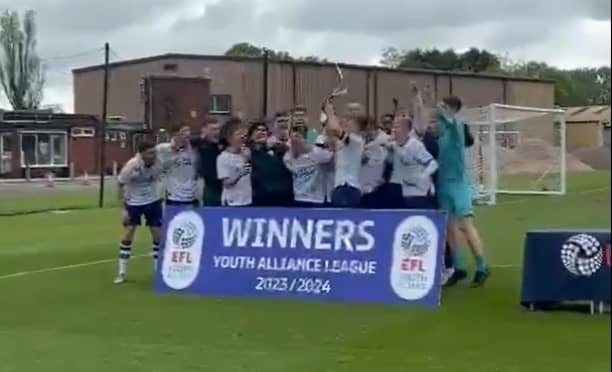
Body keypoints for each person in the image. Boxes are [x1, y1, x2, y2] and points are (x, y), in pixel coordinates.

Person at [436, 96, 490, 287]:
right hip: (443, 185)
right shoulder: (440, 133)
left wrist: (440, 109)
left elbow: (448, 119)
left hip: (458, 185)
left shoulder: (457, 127)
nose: (439, 109)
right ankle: (458, 268)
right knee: (449, 228)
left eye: (444, 106)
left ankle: (482, 266)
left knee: (466, 226)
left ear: (452, 108)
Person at [114, 141, 163, 284]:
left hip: (152, 201)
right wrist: (123, 210)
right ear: (142, 154)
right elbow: (120, 184)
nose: (153, 155)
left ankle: (158, 272)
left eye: (154, 152)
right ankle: (122, 273)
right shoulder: (132, 165)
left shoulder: (158, 163)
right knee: (129, 233)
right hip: (133, 202)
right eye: (150, 153)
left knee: (157, 233)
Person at [388, 117, 438, 209]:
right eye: (393, 127)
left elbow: (433, 164)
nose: (394, 130)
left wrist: (422, 176)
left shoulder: (415, 145)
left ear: (407, 130)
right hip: (398, 189)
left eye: (397, 127)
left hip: (417, 192)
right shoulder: (392, 146)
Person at [323, 102, 364, 207]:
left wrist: (330, 113)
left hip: (349, 189)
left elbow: (335, 130)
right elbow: (330, 134)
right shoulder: (340, 142)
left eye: (350, 121)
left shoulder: (356, 141)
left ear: (357, 125)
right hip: (338, 188)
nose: (345, 123)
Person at [284, 125, 334, 207]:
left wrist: (311, 145)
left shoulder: (317, 154)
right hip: (298, 198)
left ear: (304, 139)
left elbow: (330, 154)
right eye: (292, 137)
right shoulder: (287, 157)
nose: (294, 140)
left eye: (297, 136)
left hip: (316, 199)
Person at [248, 121, 294, 207]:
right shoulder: (247, 154)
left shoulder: (279, 151)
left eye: (264, 130)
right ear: (251, 136)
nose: (261, 132)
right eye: (257, 130)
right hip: (259, 200)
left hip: (283, 199)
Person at [157, 124, 198, 207]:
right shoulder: (163, 149)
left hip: (193, 196)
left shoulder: (195, 150)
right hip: (173, 197)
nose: (187, 134)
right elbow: (144, 153)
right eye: (183, 132)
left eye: (188, 131)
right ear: (175, 135)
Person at [216, 117, 252, 207]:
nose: (243, 137)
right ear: (229, 138)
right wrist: (239, 174)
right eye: (239, 134)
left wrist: (246, 159)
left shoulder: (245, 153)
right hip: (232, 202)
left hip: (247, 201)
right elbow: (226, 183)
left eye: (244, 134)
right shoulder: (223, 157)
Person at [358, 115, 392, 209]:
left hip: (380, 184)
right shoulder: (361, 141)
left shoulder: (386, 140)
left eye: (366, 129)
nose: (364, 132)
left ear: (371, 127)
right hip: (363, 185)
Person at [192, 119, 222, 206]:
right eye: (213, 129)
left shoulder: (223, 143)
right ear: (204, 130)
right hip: (210, 186)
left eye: (218, 129)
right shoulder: (199, 143)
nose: (216, 132)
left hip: (225, 184)